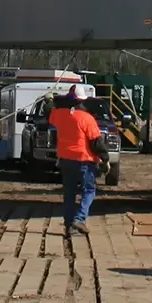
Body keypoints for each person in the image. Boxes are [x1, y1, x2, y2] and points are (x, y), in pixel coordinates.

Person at [49, 88, 105, 234]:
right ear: (83, 101)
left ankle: (69, 225)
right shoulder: (87, 119)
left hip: (66, 160)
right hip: (84, 160)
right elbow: (96, 142)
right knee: (89, 190)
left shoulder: (60, 115)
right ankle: (79, 219)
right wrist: (105, 158)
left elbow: (50, 112)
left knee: (69, 193)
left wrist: (49, 100)